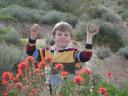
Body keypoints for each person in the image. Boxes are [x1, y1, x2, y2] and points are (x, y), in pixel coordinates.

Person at [26, 21, 99, 91]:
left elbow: (86, 56)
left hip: (67, 89)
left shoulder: (73, 53)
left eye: (66, 35)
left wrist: (89, 37)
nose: (63, 37)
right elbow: (30, 51)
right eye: (59, 34)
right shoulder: (46, 52)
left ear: (71, 38)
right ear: (54, 36)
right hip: (48, 90)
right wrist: (33, 35)